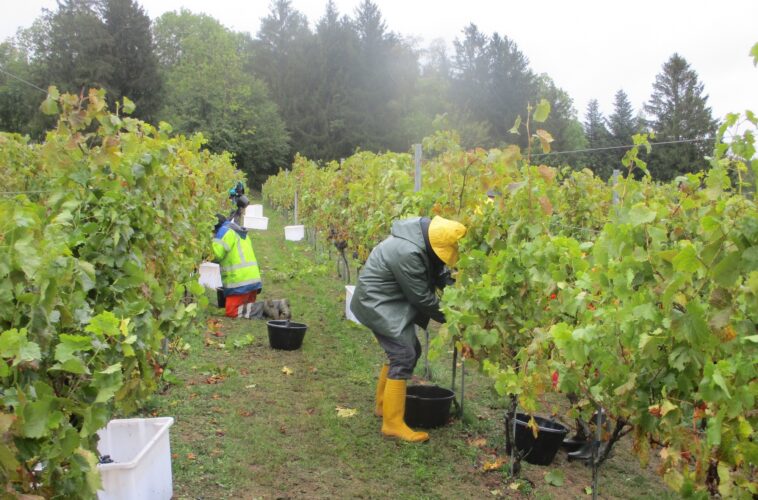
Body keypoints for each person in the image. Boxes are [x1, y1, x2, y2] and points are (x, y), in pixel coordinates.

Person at [350, 215, 466, 442]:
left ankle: (383, 406)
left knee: (408, 351)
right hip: (375, 303)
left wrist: (454, 290)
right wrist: (453, 319)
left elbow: (437, 271)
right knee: (404, 354)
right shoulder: (408, 253)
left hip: (385, 300)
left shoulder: (419, 240)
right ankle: (392, 424)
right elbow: (421, 298)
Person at [212, 214, 290, 319]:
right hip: (252, 281)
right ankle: (278, 305)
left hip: (239, 282)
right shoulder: (238, 232)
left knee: (232, 311)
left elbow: (216, 254)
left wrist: (202, 253)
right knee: (247, 308)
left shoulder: (224, 232)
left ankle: (266, 307)